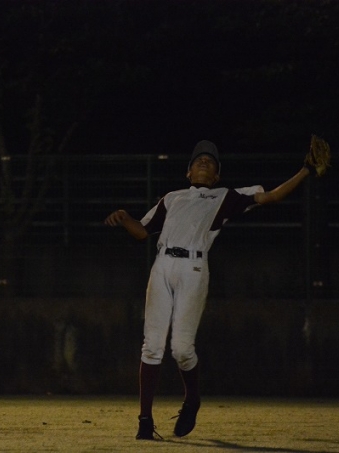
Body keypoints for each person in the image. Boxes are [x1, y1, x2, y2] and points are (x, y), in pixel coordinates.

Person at [104, 139, 318, 440]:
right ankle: (144, 421)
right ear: (188, 172)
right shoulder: (172, 198)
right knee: (151, 346)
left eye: (210, 161)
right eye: (198, 160)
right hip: (162, 264)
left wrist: (306, 170)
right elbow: (142, 231)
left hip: (194, 267)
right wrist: (125, 218)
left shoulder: (225, 196)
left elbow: (271, 196)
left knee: (181, 349)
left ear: (217, 176)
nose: (204, 162)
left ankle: (192, 398)